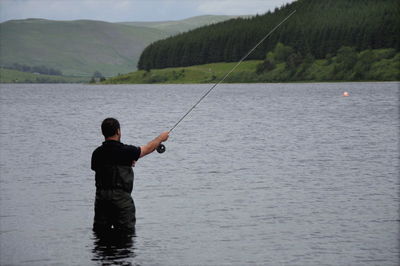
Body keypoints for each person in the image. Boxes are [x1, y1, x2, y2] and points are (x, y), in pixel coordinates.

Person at [91, 117, 169, 234]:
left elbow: (102, 167)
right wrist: (160, 138)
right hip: (121, 199)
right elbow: (147, 148)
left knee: (101, 236)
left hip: (101, 199)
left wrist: (126, 162)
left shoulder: (97, 153)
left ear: (103, 133)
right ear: (118, 131)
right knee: (125, 236)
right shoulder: (126, 151)